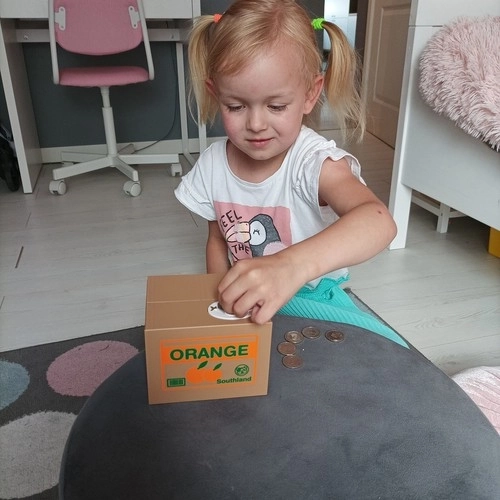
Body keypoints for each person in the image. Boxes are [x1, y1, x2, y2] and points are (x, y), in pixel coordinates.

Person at [175, 0, 397, 328]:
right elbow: (218, 240)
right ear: (215, 93)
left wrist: (290, 267)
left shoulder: (314, 163)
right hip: (249, 299)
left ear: (310, 94)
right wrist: (222, 303)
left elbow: (379, 222)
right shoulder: (211, 166)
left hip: (315, 299)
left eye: (276, 106)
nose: (256, 124)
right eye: (235, 106)